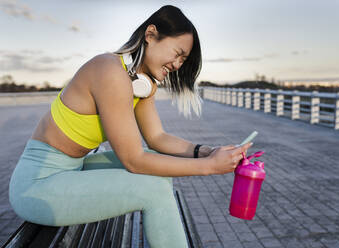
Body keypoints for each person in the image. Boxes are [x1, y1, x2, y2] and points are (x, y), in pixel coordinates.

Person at [8, 5, 252, 248]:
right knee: (153, 190)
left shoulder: (141, 84)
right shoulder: (109, 72)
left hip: (74, 168)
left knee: (156, 162)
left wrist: (205, 151)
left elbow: (157, 137)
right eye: (178, 53)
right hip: (38, 184)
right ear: (151, 34)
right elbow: (133, 160)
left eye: (183, 60)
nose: (178, 65)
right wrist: (209, 167)